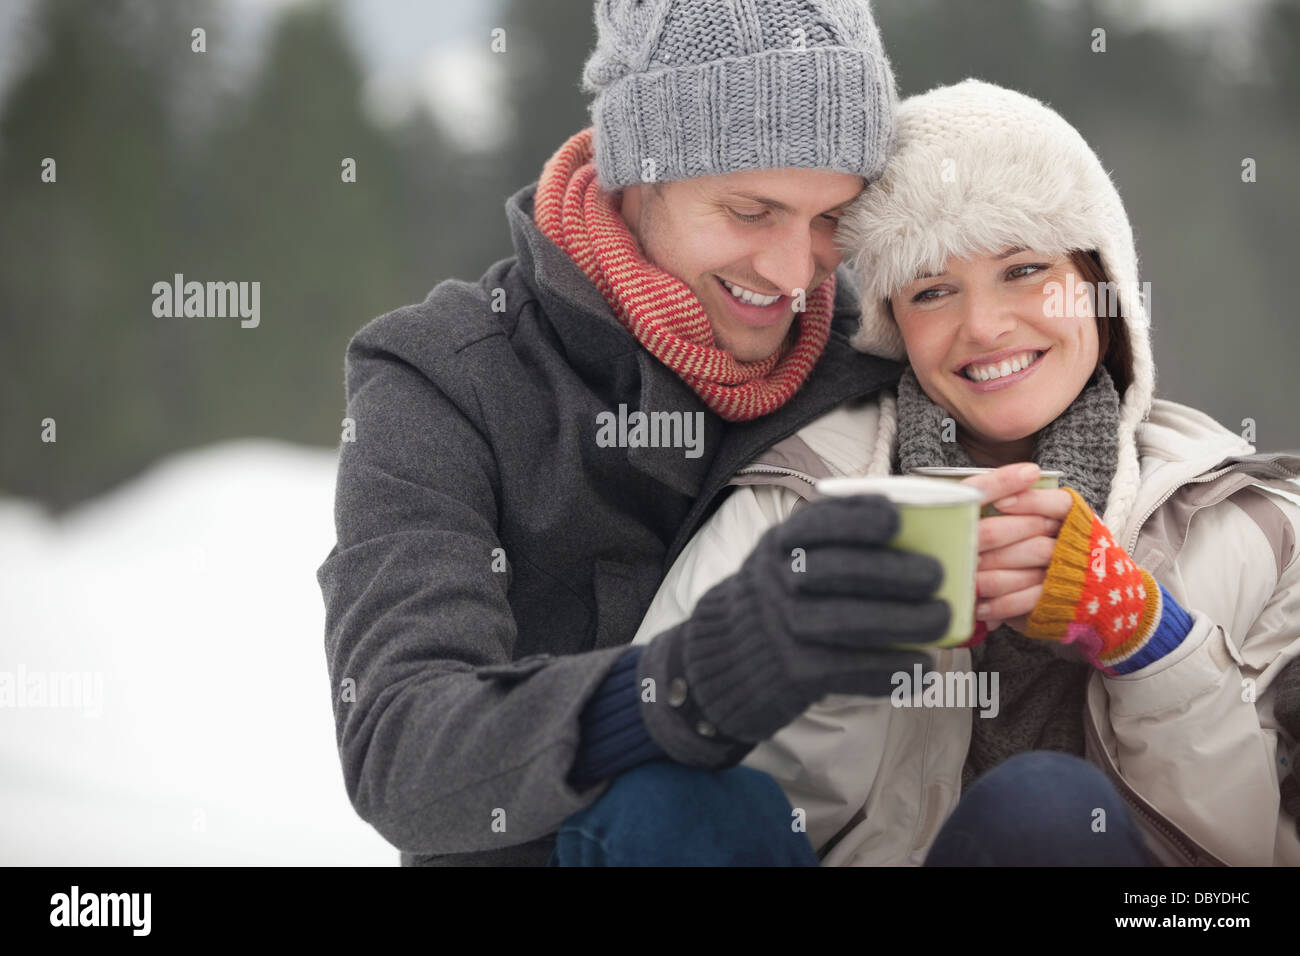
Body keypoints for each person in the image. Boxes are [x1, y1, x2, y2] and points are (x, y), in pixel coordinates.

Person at [317, 0, 957, 867]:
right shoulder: (444, 375)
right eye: (750, 209)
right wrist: (689, 680)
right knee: (690, 814)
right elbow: (403, 747)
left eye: (830, 221)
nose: (793, 272)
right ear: (634, 177)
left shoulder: (874, 357)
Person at [623, 79, 1300, 866]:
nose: (982, 326)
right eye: (933, 290)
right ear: (893, 325)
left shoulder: (1259, 523)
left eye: (1024, 269)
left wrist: (1149, 640)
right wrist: (832, 655)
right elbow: (654, 797)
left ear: (1101, 284)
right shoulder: (797, 498)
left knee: (1046, 809)